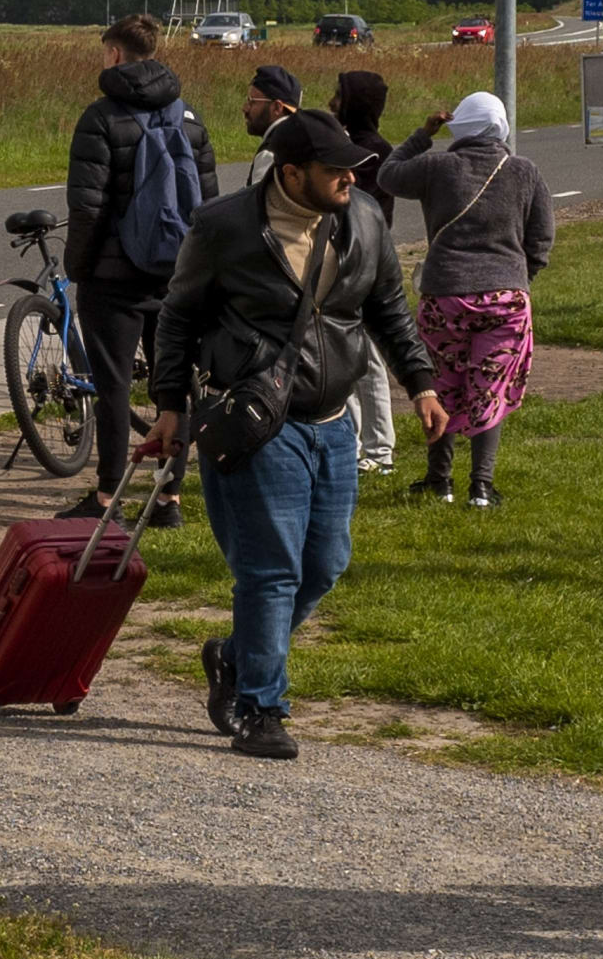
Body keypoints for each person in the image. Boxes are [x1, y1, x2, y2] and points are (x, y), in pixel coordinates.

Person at [137, 109, 447, 760]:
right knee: (270, 570)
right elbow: (178, 317)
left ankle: (236, 656)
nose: (349, 178)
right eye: (334, 169)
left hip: (334, 422)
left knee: (325, 564)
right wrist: (169, 403)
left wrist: (420, 383)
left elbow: (388, 307)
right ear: (291, 173)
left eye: (350, 169)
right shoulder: (225, 227)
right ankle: (260, 709)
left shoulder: (363, 218)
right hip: (257, 424)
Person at [64, 13, 216, 524]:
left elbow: (87, 207)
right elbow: (210, 203)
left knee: (112, 385)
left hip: (114, 278)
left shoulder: (100, 117)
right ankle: (169, 499)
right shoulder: (188, 116)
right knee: (175, 386)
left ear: (114, 54)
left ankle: (108, 496)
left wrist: (80, 266)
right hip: (177, 278)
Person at [382, 90, 554, 507]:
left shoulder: (437, 167)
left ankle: (439, 480)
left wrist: (423, 133)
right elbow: (541, 237)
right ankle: (481, 485)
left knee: (440, 384)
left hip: (445, 295)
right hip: (505, 300)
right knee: (488, 386)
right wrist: (518, 276)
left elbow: (388, 175)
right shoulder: (524, 171)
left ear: (459, 127)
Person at [331, 70, 401, 474]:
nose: (331, 101)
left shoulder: (371, 152)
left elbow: (359, 214)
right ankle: (357, 445)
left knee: (368, 360)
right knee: (344, 357)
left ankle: (379, 449)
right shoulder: (348, 145)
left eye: (339, 95)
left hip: (363, 267)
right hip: (341, 264)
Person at [236, 63, 303, 188]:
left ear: (277, 107)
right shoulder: (306, 137)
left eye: (252, 102)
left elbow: (259, 204)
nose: (245, 108)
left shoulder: (271, 153)